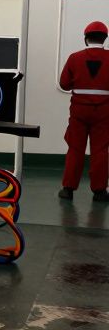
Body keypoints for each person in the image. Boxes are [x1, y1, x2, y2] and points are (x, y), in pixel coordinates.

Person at [57, 20, 109, 202]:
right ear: (105, 38)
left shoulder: (74, 58)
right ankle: (100, 191)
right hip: (104, 111)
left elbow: (64, 83)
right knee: (101, 150)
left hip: (79, 111)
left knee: (75, 148)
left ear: (86, 38)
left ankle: (68, 189)